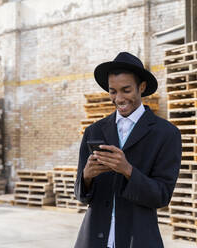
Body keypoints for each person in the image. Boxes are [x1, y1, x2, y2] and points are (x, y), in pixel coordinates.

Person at [74, 52, 182, 248]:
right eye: (113, 91)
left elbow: (162, 196)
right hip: (94, 239)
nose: (119, 98)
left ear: (141, 87)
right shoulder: (94, 131)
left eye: (126, 90)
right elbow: (81, 195)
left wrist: (127, 170)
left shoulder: (166, 134)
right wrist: (86, 177)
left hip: (138, 238)